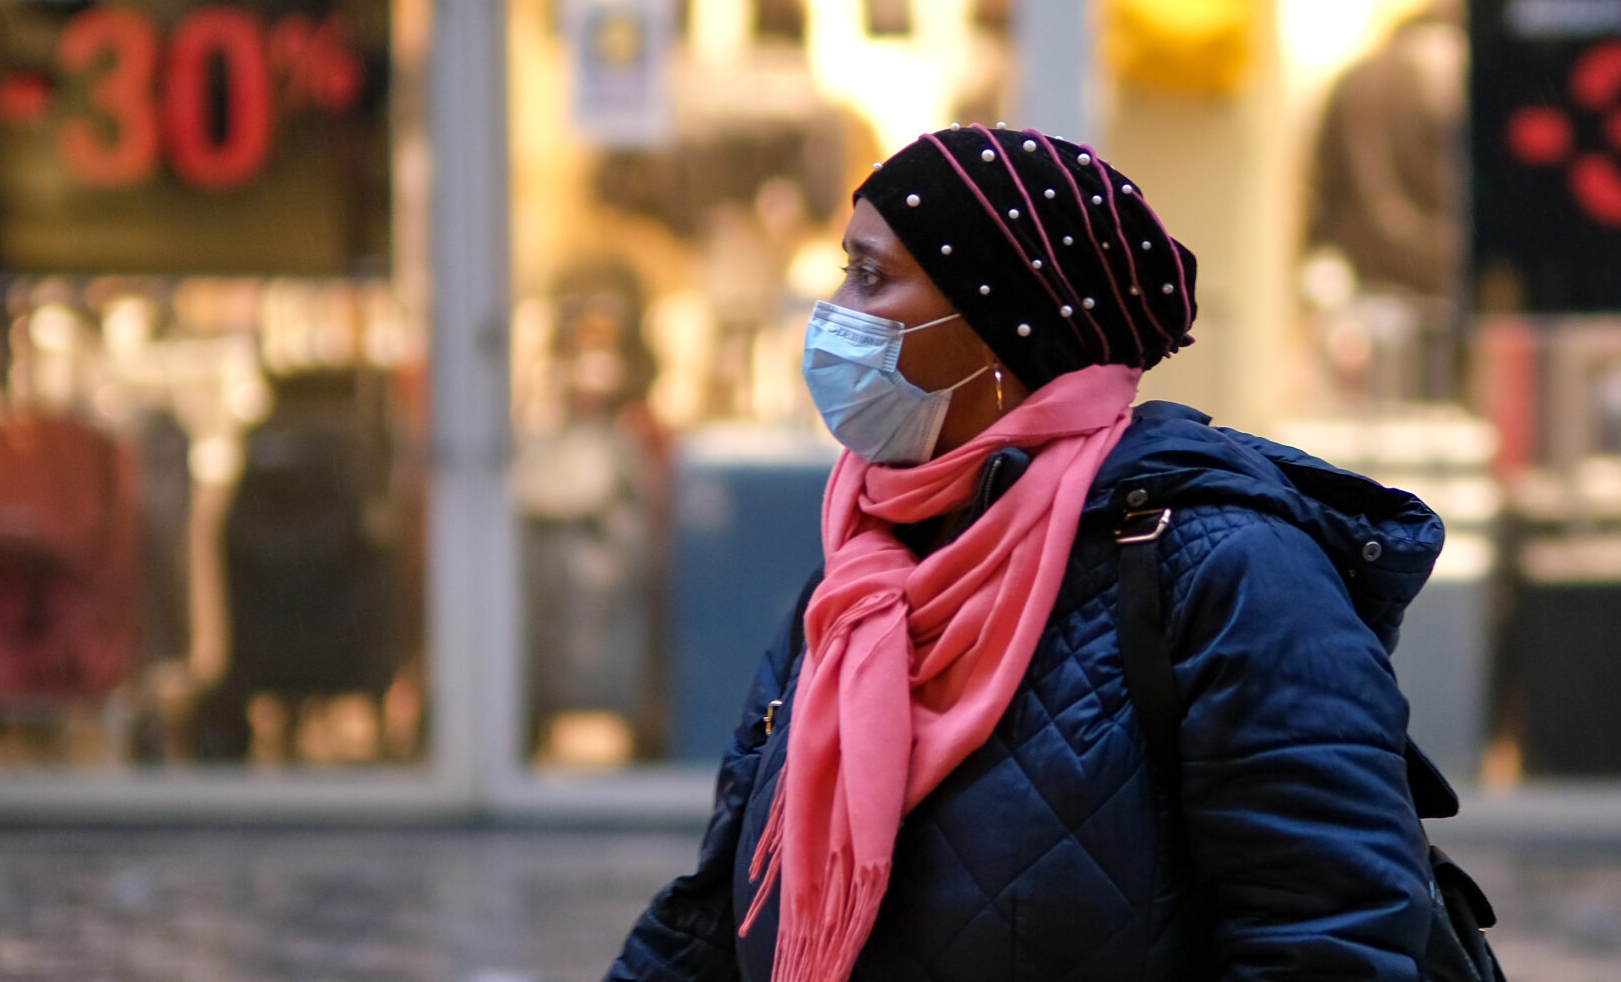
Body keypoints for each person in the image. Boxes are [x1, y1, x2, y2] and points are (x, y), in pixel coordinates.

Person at [609, 125, 1442, 982]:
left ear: (999, 328)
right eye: (842, 272)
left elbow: (1333, 935)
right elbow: (720, 908)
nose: (833, 318)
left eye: (872, 277)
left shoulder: (1230, 572)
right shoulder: (867, 569)